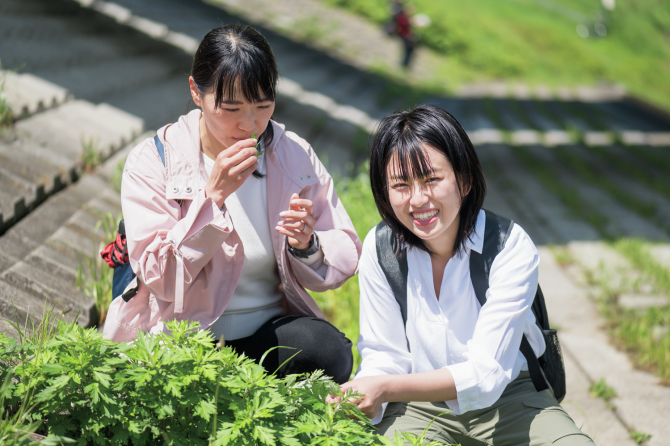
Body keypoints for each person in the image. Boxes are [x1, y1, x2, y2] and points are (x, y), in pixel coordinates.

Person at [103, 25, 361, 384]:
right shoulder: (153, 160)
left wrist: (307, 246)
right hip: (181, 335)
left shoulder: (292, 154)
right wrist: (213, 199)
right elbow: (161, 279)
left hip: (263, 333)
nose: (249, 125)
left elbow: (343, 248)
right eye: (231, 108)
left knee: (330, 352)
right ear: (196, 92)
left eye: (263, 106)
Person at [328, 105, 595, 444]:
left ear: (465, 180)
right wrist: (368, 390)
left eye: (432, 179)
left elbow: (486, 374)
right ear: (385, 191)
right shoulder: (381, 249)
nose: (418, 199)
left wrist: (385, 387)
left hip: (512, 401)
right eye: (400, 184)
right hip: (418, 406)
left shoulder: (509, 245)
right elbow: (385, 355)